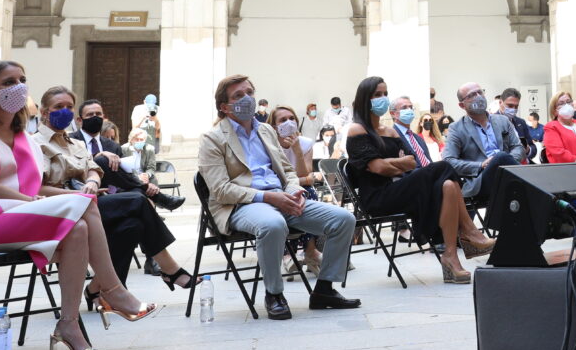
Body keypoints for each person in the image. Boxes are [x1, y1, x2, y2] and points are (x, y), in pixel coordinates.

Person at [0, 60, 158, 350]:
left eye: (22, 80)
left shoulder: (21, 135)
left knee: (78, 228)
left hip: (14, 215)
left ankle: (69, 325)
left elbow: (34, 188)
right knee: (84, 205)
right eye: (8, 82)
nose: (18, 87)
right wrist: (37, 202)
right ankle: (113, 290)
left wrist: (66, 195)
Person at [198, 73, 360, 320]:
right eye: (238, 96)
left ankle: (324, 290)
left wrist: (294, 191)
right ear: (224, 107)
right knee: (273, 224)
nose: (247, 99)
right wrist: (268, 198)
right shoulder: (212, 138)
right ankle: (274, 294)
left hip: (282, 197)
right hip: (243, 204)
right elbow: (220, 189)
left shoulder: (265, 130)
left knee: (343, 219)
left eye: (249, 92)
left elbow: (287, 170)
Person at [32, 86, 198, 291]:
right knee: (138, 200)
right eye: (59, 106)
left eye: (69, 106)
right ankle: (170, 269)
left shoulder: (74, 144)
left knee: (132, 225)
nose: (65, 111)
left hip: (89, 203)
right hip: (61, 209)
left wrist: (92, 182)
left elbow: (93, 170)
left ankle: (100, 290)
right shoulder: (35, 143)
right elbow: (36, 189)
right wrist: (77, 194)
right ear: (44, 112)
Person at [344, 77, 493, 284]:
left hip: (400, 189)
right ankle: (470, 232)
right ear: (364, 99)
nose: (383, 98)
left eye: (385, 94)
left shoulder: (390, 131)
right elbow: (378, 168)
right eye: (377, 95)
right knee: (443, 167)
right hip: (378, 197)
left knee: (449, 185)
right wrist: (397, 163)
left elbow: (411, 163)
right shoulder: (357, 130)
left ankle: (450, 257)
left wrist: (391, 164)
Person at [72, 100, 183, 210]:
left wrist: (142, 181)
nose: (95, 117)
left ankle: (149, 196)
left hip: (112, 193)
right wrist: (100, 154)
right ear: (79, 120)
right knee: (102, 160)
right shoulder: (70, 140)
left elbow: (123, 174)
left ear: (103, 117)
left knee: (139, 195)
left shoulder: (113, 146)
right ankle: (157, 197)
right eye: (90, 114)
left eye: (98, 114)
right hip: (83, 191)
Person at [441, 82, 523, 203]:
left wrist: (506, 162)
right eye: (472, 95)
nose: (478, 97)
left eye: (480, 92)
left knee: (502, 158)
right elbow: (449, 161)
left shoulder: (503, 121)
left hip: (508, 173)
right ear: (462, 105)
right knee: (501, 156)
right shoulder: (456, 128)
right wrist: (481, 165)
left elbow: (518, 147)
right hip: (481, 180)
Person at [273, 110, 324, 273]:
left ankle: (309, 250)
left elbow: (304, 173)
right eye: (282, 120)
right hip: (276, 190)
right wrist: (304, 180)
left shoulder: (305, 143)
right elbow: (278, 180)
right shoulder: (269, 145)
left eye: (291, 118)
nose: (288, 122)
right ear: (274, 126)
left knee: (307, 192)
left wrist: (297, 151)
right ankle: (290, 252)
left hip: (298, 188)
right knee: (290, 195)